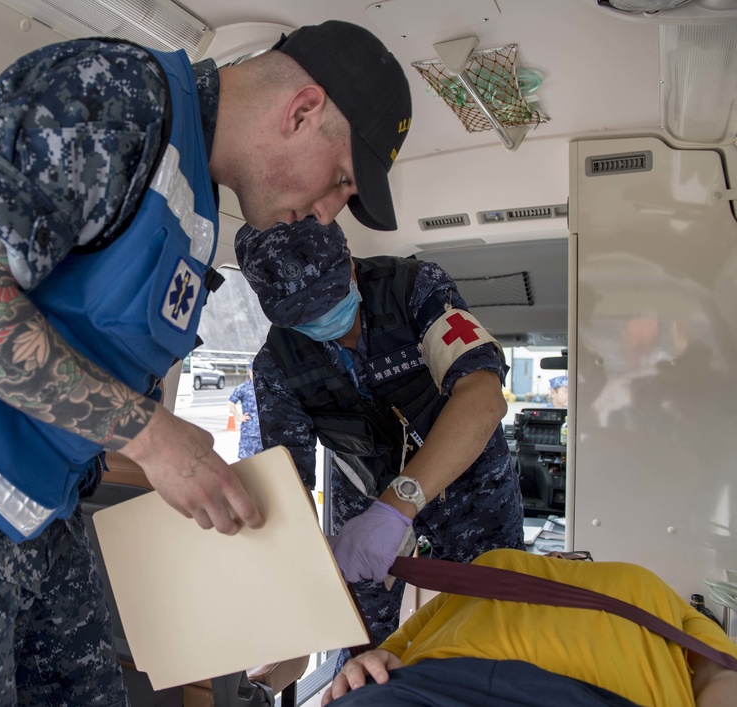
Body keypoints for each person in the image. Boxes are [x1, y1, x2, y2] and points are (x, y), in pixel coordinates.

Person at [0, 20, 412, 707]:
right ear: (302, 111)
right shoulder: (118, 94)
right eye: (341, 182)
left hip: (31, 509)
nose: (327, 215)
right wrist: (152, 438)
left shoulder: (194, 206)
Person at [235, 218, 524, 663]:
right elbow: (286, 476)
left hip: (470, 487)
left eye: (325, 300)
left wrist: (400, 504)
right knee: (360, 641)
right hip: (365, 496)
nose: (317, 318)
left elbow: (483, 399)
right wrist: (304, 552)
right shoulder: (278, 363)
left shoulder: (414, 289)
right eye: (299, 314)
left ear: (348, 263)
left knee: (493, 625)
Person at [322, 549, 737, 706]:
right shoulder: (492, 567)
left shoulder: (645, 581)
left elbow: (718, 671)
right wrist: (373, 660)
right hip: (430, 688)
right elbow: (397, 646)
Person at [228, 363, 264, 459]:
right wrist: (238, 416)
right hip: (249, 432)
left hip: (263, 433)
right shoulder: (243, 388)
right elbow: (231, 403)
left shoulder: (264, 388)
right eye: (253, 371)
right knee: (247, 462)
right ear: (250, 372)